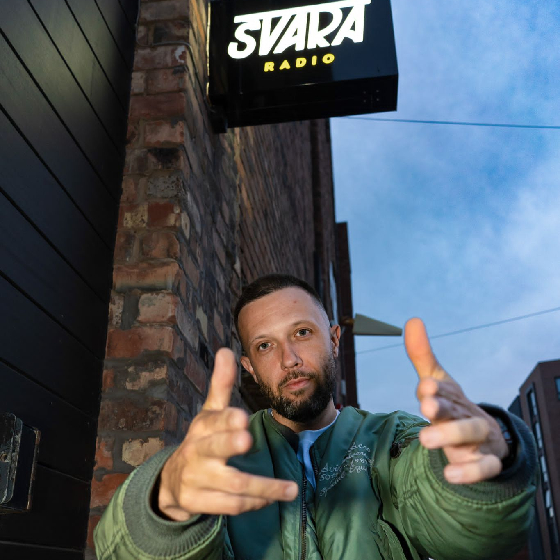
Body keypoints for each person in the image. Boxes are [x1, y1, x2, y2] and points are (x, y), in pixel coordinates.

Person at [94, 274, 537, 560]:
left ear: (334, 339)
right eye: (265, 346)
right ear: (249, 367)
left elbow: (471, 535)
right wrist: (165, 509)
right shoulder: (218, 460)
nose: (288, 359)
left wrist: (483, 471)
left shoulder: (392, 439)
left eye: (302, 333)